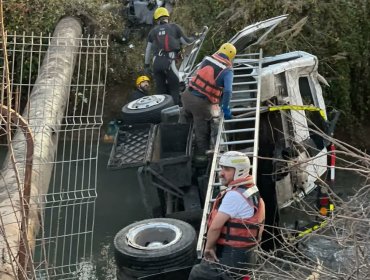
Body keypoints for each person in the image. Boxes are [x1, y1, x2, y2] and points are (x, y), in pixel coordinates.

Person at [188, 151, 265, 280]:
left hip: (232, 258)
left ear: (240, 171)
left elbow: (215, 227)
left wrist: (208, 248)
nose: (221, 173)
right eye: (222, 168)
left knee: (197, 274)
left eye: (227, 169)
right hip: (248, 256)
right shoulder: (250, 190)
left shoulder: (234, 195)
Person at [179, 43, 236, 158]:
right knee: (202, 132)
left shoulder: (207, 59)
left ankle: (180, 150)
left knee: (184, 126)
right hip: (200, 103)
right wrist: (225, 108)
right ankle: (202, 157)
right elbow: (228, 91)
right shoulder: (227, 71)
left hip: (186, 96)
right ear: (231, 57)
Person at [144, 6, 195, 104]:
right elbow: (186, 42)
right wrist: (194, 37)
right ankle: (174, 113)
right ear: (167, 17)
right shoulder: (174, 27)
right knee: (174, 88)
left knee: (160, 91)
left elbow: (148, 50)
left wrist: (146, 65)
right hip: (169, 62)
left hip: (156, 64)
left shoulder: (152, 32)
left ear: (157, 19)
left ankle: (161, 114)